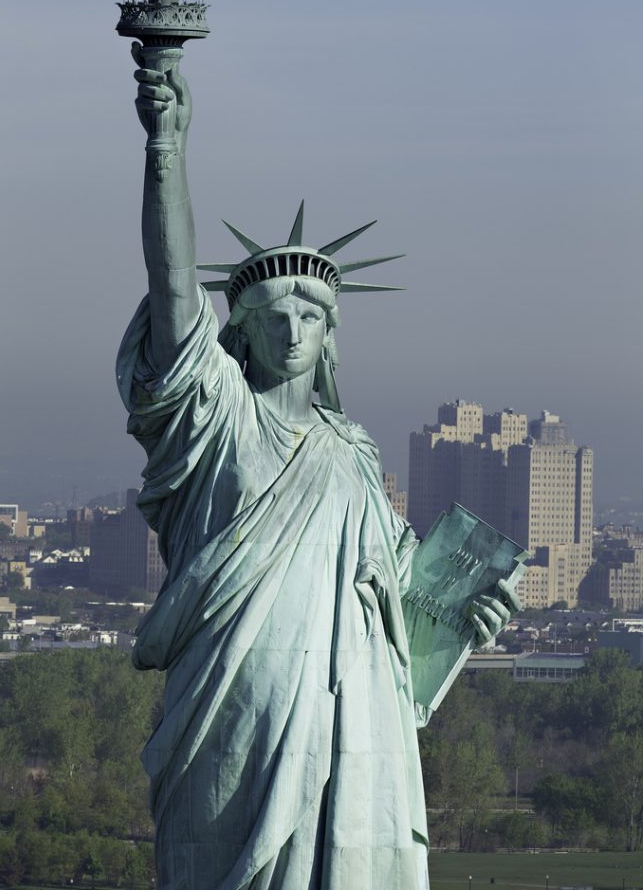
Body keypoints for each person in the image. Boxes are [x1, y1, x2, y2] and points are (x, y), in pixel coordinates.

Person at [117, 49, 518, 890]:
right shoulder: (218, 419)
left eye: (309, 313)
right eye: (270, 314)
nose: (291, 329)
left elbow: (399, 593)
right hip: (235, 703)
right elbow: (173, 286)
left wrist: (462, 614)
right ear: (241, 332)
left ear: (330, 333)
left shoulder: (354, 454)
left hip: (352, 712)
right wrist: (167, 149)